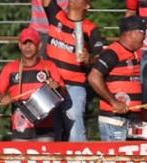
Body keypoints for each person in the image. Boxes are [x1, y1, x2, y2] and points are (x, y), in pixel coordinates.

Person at [44, 0, 105, 142]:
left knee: (75, 133)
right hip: (50, 85)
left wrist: (89, 59)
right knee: (52, 133)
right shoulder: (57, 15)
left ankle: (80, 162)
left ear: (87, 5)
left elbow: (100, 59)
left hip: (74, 86)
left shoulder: (91, 29)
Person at [0, 28, 64, 142]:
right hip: (20, 128)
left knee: (44, 159)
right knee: (19, 160)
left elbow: (63, 93)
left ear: (39, 45)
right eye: (24, 43)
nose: (27, 47)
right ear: (19, 45)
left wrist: (57, 87)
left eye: (31, 43)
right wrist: (2, 97)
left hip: (45, 128)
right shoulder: (10, 68)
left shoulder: (49, 67)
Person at [88, 15, 145, 142]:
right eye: (143, 32)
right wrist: (114, 102)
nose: (145, 36)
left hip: (131, 119)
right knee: (117, 161)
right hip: (115, 120)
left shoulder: (134, 53)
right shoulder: (112, 52)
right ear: (132, 33)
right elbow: (94, 77)